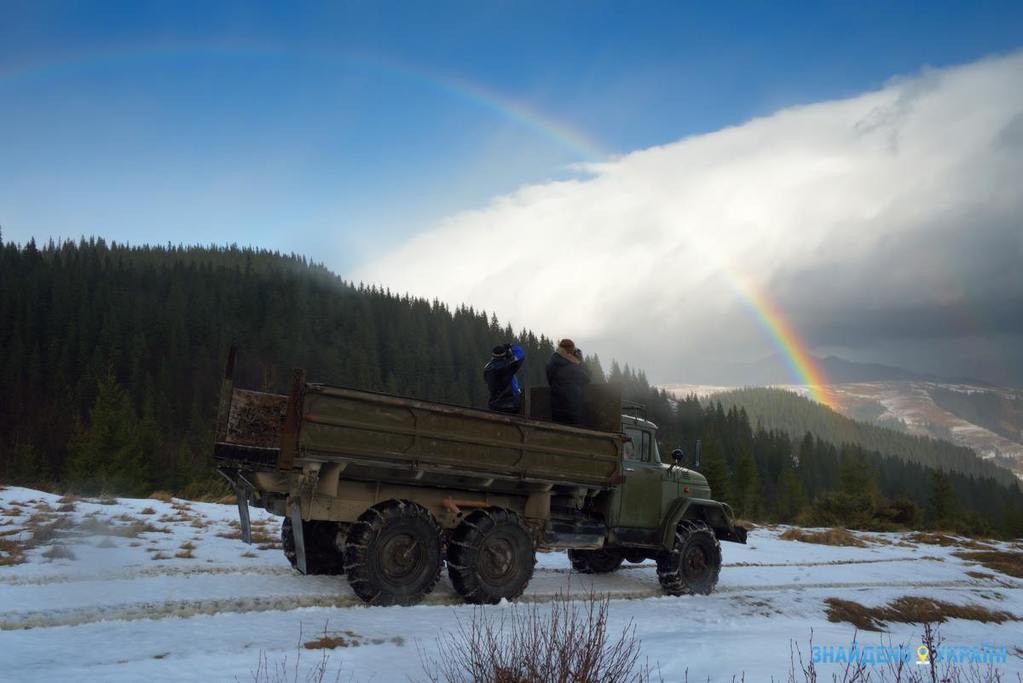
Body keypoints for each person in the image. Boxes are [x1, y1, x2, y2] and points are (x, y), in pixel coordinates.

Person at [546, 338, 591, 425]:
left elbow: (550, 380)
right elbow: (587, 378)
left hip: (556, 407)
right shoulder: (572, 366)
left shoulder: (551, 363)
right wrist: (580, 361)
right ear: (569, 351)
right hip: (572, 408)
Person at [483, 343, 526, 414]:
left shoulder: (487, 368)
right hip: (510, 404)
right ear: (504, 355)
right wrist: (511, 346)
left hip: (494, 404)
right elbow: (521, 354)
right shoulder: (508, 365)